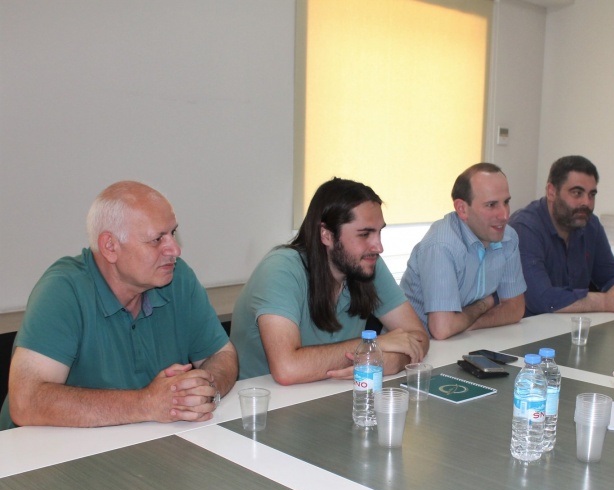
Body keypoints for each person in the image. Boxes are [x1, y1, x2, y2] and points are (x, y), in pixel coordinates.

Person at [0, 181, 238, 431]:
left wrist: (205, 389)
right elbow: (26, 402)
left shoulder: (177, 278)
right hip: (45, 450)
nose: (175, 250)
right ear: (110, 247)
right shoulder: (63, 290)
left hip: (140, 441)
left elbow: (221, 355)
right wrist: (147, 403)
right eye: (157, 239)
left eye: (173, 233)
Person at [230, 177, 429, 385]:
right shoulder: (280, 269)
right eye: (364, 234)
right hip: (265, 400)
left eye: (379, 232)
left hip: (330, 392)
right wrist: (373, 346)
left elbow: (418, 336)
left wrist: (393, 361)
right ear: (327, 235)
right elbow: (287, 369)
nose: (378, 247)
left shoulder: (367, 263)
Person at [401, 163, 526, 340]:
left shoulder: (508, 237)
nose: (504, 215)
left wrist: (462, 324)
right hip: (417, 347)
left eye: (506, 202)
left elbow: (515, 309)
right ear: (462, 209)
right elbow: (442, 329)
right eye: (491, 205)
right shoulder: (441, 246)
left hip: (462, 340)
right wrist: (484, 305)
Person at [508, 155, 614, 316]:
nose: (586, 202)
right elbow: (541, 299)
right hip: (531, 327)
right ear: (551, 192)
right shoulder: (524, 228)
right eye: (577, 193)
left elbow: (610, 274)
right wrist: (606, 301)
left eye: (592, 195)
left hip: (573, 324)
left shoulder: (590, 224)